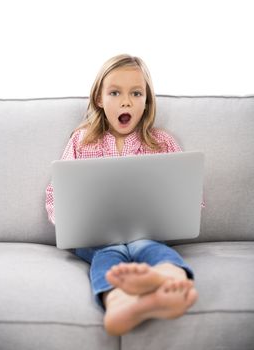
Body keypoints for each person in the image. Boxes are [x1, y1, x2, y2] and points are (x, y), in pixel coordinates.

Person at [45, 54, 199, 336]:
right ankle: (121, 302)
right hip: (94, 237)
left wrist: (177, 213)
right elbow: (55, 194)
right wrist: (68, 223)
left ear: (147, 101)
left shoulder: (162, 142)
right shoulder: (81, 140)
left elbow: (190, 196)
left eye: (136, 93)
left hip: (146, 234)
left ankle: (164, 284)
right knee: (108, 253)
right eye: (115, 92)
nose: (126, 101)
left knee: (150, 248)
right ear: (100, 99)